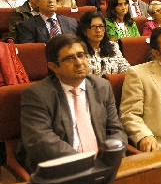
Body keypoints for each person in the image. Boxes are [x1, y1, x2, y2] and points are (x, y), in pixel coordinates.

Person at [17, 34, 127, 172]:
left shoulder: (102, 86)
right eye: (69, 58)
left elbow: (115, 129)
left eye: (81, 55)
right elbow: (40, 141)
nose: (79, 62)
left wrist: (112, 156)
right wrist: (86, 164)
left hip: (104, 165)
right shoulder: (37, 95)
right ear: (53, 67)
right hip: (61, 169)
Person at [77, 11, 130, 76]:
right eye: (93, 27)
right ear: (84, 31)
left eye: (101, 26)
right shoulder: (79, 51)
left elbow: (125, 68)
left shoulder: (113, 46)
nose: (98, 30)